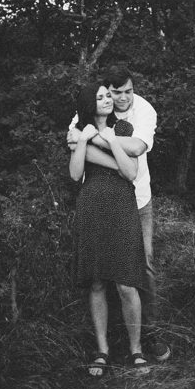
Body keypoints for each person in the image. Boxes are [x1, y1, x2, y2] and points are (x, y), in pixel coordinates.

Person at [63, 65, 168, 361]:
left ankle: (149, 334)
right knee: (98, 276)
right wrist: (89, 140)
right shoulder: (85, 117)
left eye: (128, 92)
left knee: (141, 267)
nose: (120, 98)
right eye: (113, 93)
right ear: (105, 92)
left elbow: (135, 151)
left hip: (136, 200)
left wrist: (97, 138)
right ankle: (106, 346)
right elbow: (73, 145)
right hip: (95, 202)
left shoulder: (141, 113)